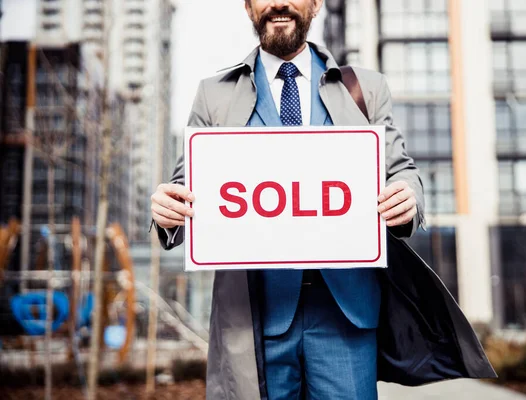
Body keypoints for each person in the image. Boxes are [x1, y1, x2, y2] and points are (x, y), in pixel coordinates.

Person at [151, 1, 495, 399]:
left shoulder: (364, 89)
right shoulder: (214, 95)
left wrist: (408, 198)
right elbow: (185, 186)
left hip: (345, 317)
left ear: (315, 3)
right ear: (248, 7)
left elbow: (401, 170)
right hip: (255, 320)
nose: (279, 3)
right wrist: (167, 211)